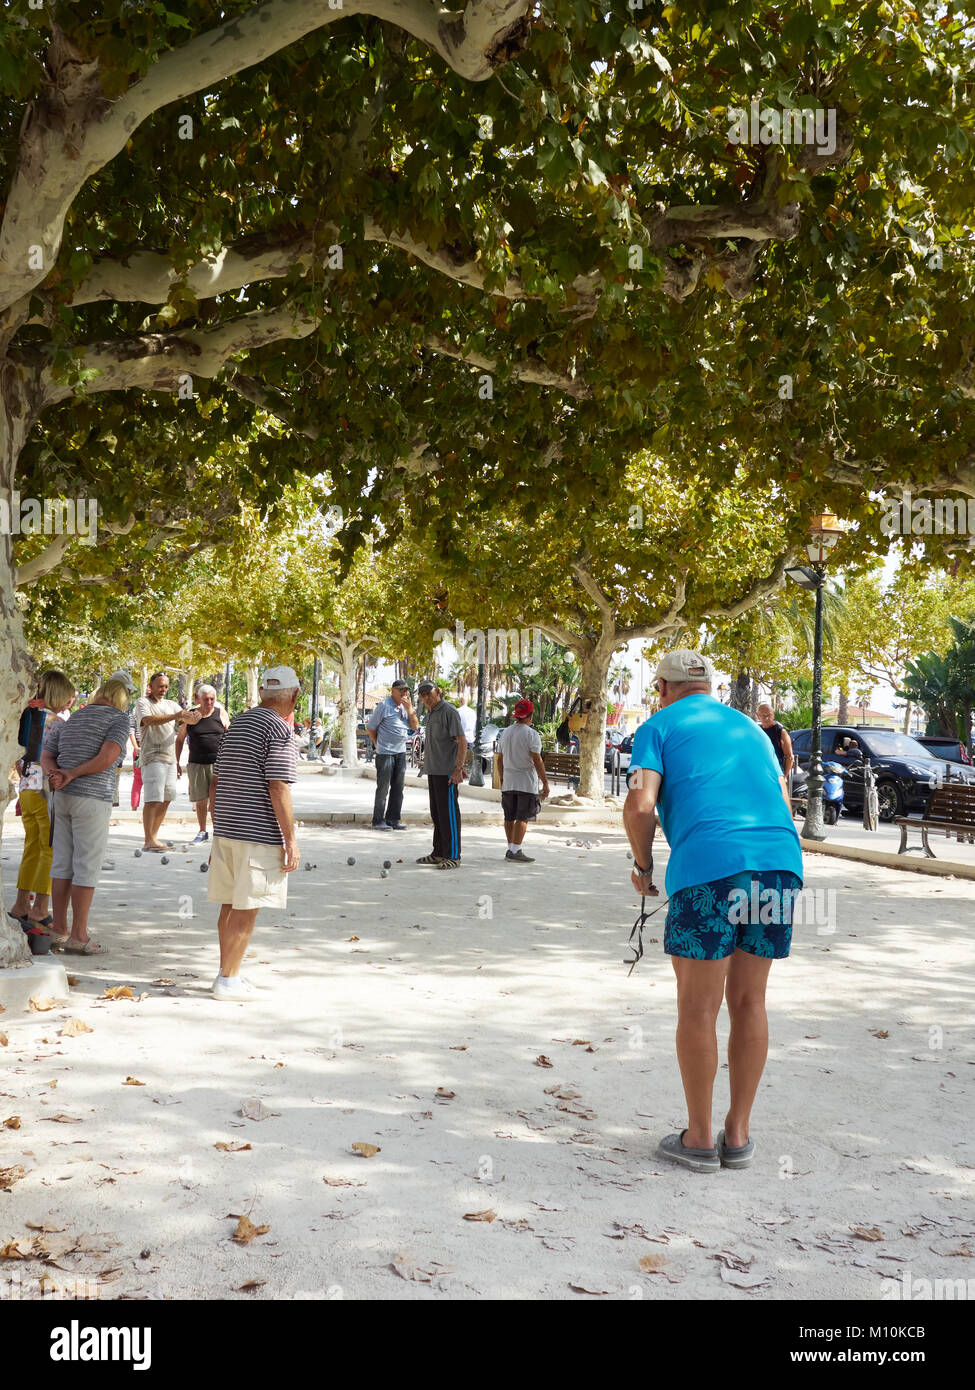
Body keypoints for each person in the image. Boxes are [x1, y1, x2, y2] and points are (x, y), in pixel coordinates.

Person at [622, 649, 803, 1174]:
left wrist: (643, 864)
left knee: (697, 1007)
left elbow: (639, 804)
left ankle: (699, 1139)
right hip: (777, 865)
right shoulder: (752, 729)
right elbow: (783, 802)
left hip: (708, 869)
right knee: (750, 1001)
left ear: (662, 688)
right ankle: (738, 1135)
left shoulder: (655, 729)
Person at [206, 666, 300, 1001]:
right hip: (257, 832)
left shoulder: (238, 724)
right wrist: (290, 840)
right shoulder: (279, 729)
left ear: (263, 693)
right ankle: (228, 980)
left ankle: (226, 972)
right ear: (293, 696)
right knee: (247, 909)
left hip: (228, 829)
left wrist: (218, 828)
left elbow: (216, 782)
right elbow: (278, 787)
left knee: (230, 905)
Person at [40, 676, 134, 956]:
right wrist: (73, 773)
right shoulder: (119, 719)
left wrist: (57, 775)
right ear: (121, 698)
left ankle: (59, 928)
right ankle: (79, 935)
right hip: (92, 797)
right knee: (86, 865)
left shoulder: (74, 718)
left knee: (62, 864)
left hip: (61, 797)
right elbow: (107, 758)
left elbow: (46, 755)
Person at [8, 669, 76, 949]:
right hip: (45, 787)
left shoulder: (28, 715)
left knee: (32, 845)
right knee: (49, 849)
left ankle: (21, 904)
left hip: (26, 788)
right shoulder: (57, 722)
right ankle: (40, 908)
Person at [131, 672, 193, 851]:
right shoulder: (142, 703)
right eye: (160, 686)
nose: (163, 690)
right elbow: (147, 720)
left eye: (166, 686)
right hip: (152, 756)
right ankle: (147, 840)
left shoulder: (171, 704)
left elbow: (185, 719)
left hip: (170, 758)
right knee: (153, 799)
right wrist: (175, 716)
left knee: (167, 798)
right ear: (150, 686)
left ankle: (154, 838)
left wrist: (196, 717)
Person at [415, 682, 467, 868]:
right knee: (437, 814)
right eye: (422, 695)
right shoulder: (431, 713)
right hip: (433, 770)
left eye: (428, 693)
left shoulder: (449, 712)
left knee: (449, 815)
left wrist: (458, 767)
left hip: (447, 772)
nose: (426, 697)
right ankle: (438, 852)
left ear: (437, 692)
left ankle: (453, 856)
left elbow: (462, 741)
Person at [495, 698, 551, 863]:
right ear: (530, 716)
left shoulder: (505, 732)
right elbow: (537, 760)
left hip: (509, 781)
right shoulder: (532, 734)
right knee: (522, 817)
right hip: (526, 782)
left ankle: (511, 848)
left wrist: (502, 777)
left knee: (509, 816)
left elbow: (499, 759)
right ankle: (515, 850)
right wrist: (545, 782)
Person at [175, 684, 229, 843]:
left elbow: (230, 735)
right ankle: (202, 831)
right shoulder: (189, 715)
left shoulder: (221, 713)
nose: (210, 702)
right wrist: (176, 762)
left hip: (218, 764)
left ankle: (219, 832)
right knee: (201, 800)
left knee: (217, 801)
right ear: (198, 699)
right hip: (197, 763)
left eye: (213, 699)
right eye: (206, 699)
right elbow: (179, 740)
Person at [366, 680, 419, 830]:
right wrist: (377, 743)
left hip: (400, 752)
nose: (404, 693)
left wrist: (410, 710)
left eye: (406, 690)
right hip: (386, 753)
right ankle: (377, 820)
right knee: (383, 788)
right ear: (393, 691)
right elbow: (371, 728)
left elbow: (414, 727)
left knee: (398, 788)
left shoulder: (406, 707)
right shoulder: (384, 706)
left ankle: (393, 819)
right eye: (401, 690)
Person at [757, 703, 793, 778]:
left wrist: (784, 777)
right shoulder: (757, 731)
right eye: (763, 716)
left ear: (773, 715)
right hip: (761, 772)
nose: (766, 718)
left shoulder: (781, 731)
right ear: (758, 716)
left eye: (769, 715)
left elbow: (789, 757)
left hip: (776, 773)